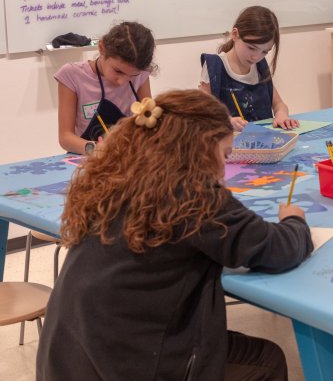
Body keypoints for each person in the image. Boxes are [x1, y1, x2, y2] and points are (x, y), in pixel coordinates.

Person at [37, 90, 313, 381]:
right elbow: (276, 249)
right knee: (265, 363)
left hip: (68, 356)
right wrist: (294, 220)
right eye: (224, 154)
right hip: (125, 362)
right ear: (201, 148)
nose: (223, 167)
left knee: (247, 353)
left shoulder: (114, 176)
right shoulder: (193, 194)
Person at [55, 21, 155, 155]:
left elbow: (150, 122)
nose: (121, 81)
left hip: (129, 157)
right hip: (89, 159)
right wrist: (94, 149)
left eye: (132, 76)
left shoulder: (141, 75)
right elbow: (65, 138)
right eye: (118, 71)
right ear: (102, 48)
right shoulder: (72, 75)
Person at [200, 6, 298, 131]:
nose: (256, 57)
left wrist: (281, 115)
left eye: (264, 52)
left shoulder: (260, 67)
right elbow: (202, 113)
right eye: (251, 48)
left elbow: (279, 104)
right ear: (235, 35)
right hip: (229, 144)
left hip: (264, 143)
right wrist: (227, 121)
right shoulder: (214, 66)